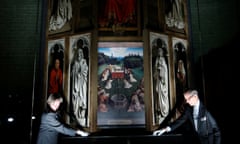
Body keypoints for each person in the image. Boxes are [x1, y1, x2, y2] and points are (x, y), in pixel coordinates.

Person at [153, 89, 221, 144]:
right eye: (186, 100)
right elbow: (179, 121)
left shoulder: (207, 109)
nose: (187, 101)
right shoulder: (188, 109)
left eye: (188, 99)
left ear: (195, 96)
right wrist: (165, 129)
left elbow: (217, 131)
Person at [71, 39, 89, 126]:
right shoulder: (75, 63)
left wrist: (80, 74)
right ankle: (75, 115)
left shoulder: (84, 62)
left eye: (81, 53)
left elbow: (86, 72)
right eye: (78, 54)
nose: (79, 55)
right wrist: (75, 74)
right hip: (76, 85)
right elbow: (72, 74)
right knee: (76, 99)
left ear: (82, 54)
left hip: (82, 85)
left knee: (83, 99)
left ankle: (82, 115)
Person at [153, 39, 169, 124]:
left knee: (162, 94)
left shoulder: (163, 60)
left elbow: (165, 71)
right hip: (158, 81)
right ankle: (158, 112)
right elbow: (154, 71)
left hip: (163, 82)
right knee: (157, 93)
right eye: (158, 51)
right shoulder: (157, 59)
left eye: (160, 51)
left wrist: (161, 70)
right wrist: (156, 70)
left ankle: (164, 113)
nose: (159, 53)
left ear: (162, 52)